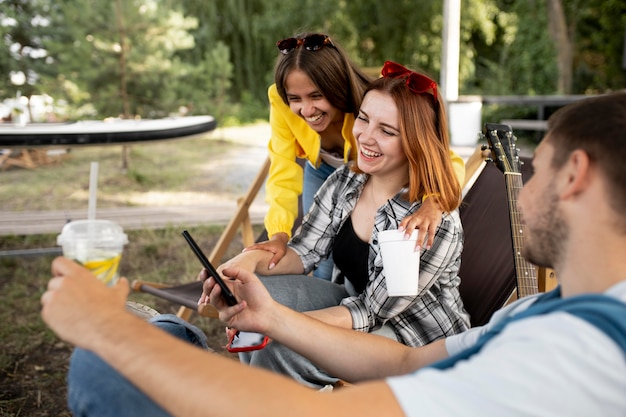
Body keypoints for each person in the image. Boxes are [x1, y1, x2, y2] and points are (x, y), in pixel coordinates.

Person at [41, 91, 626, 416]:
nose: (519, 192)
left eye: (534, 168)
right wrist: (260, 288)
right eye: (364, 121)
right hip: (389, 343)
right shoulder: (530, 317)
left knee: (103, 366)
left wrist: (105, 330)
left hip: (403, 326)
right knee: (218, 325)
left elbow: (386, 331)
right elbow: (308, 257)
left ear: (573, 175)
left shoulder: (581, 352)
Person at [195, 61, 469, 388]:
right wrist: (243, 264)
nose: (365, 137)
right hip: (351, 305)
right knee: (247, 295)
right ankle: (272, 399)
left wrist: (277, 323)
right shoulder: (346, 181)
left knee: (282, 344)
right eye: (364, 120)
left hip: (413, 338)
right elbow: (304, 252)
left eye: (387, 131)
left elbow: (373, 310)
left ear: (416, 141)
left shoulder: (429, 222)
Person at [251, 32, 466, 280]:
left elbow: (446, 160)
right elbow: (282, 169)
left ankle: (348, 308)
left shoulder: (372, 101)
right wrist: (278, 235)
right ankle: (325, 306)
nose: (307, 109)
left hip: (363, 174)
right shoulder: (280, 101)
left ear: (336, 86)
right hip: (320, 170)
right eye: (295, 99)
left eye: (316, 96)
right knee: (318, 253)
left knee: (359, 254)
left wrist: (434, 203)